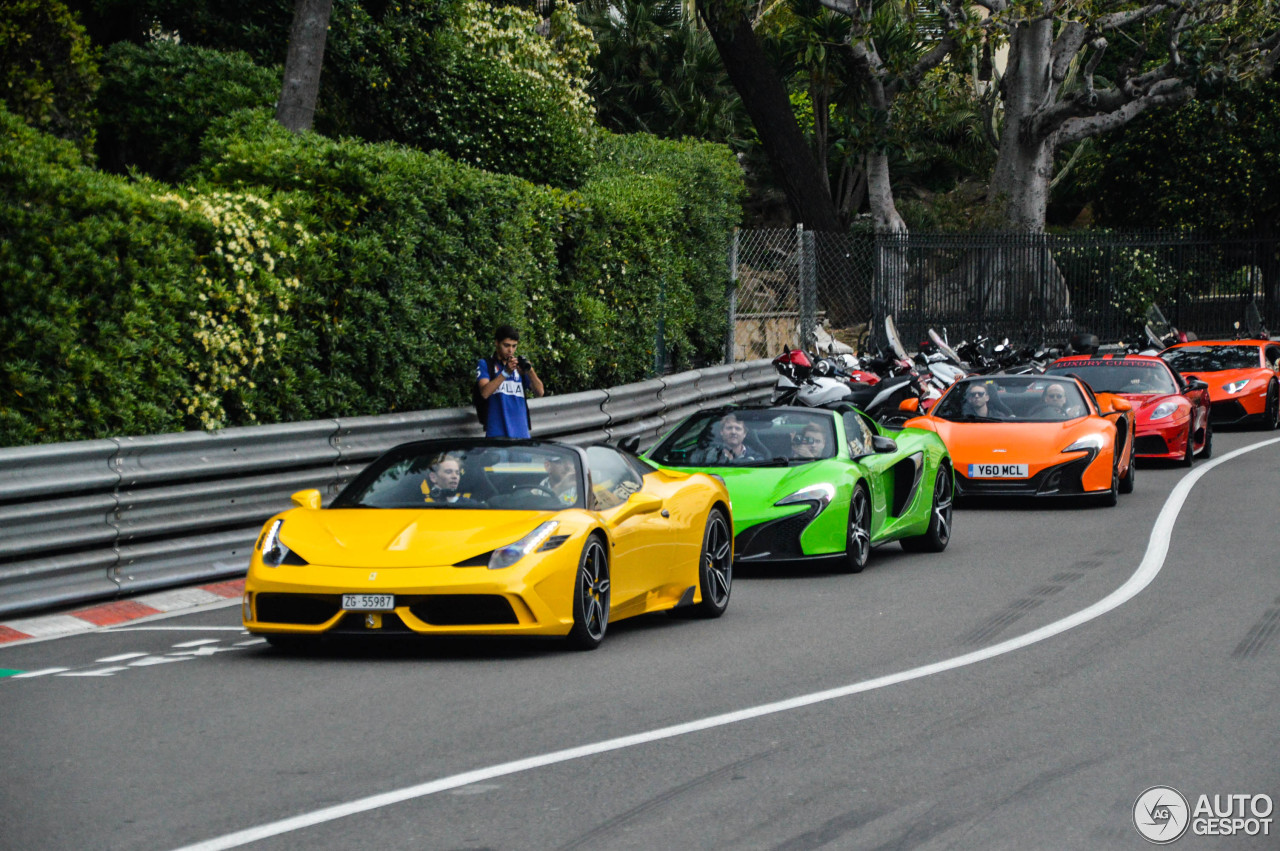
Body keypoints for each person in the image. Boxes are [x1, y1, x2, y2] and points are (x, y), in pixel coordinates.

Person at [476, 325, 545, 438]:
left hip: (521, 433)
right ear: (497, 343)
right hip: (496, 433)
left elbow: (540, 392)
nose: (510, 350)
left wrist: (530, 371)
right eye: (506, 345)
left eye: (514, 346)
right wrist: (505, 373)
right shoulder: (486, 364)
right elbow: (484, 392)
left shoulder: (519, 367)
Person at [695, 413, 764, 464]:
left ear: (744, 434)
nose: (733, 432)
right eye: (729, 428)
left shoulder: (757, 459)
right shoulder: (708, 456)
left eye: (738, 428)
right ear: (721, 432)